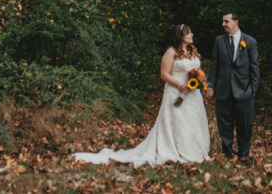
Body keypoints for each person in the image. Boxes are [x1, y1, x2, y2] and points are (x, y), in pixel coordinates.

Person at [72, 24, 210, 167]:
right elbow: (164, 74)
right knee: (178, 121)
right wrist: (180, 86)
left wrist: (202, 81)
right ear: (180, 36)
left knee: (192, 120)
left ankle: (195, 150)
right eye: (189, 33)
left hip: (192, 94)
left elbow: (198, 69)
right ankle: (179, 150)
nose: (192, 35)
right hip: (176, 92)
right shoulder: (171, 52)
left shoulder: (192, 52)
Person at [206, 11, 259, 162]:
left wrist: (253, 89)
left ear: (236, 22)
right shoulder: (219, 41)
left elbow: (255, 68)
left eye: (226, 21)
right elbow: (214, 65)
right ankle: (227, 155)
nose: (223, 24)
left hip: (244, 92)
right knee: (225, 125)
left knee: (245, 126)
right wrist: (211, 86)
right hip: (223, 91)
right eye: (223, 21)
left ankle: (244, 155)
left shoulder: (250, 42)